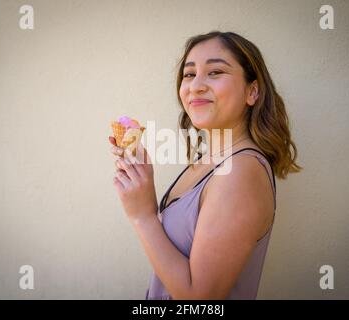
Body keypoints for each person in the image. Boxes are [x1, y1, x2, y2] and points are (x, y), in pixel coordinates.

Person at [108, 31, 302, 299]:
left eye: (215, 72)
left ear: (252, 91)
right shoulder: (207, 163)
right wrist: (139, 181)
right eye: (189, 74)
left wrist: (142, 216)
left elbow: (200, 298)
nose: (196, 85)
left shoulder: (242, 171)